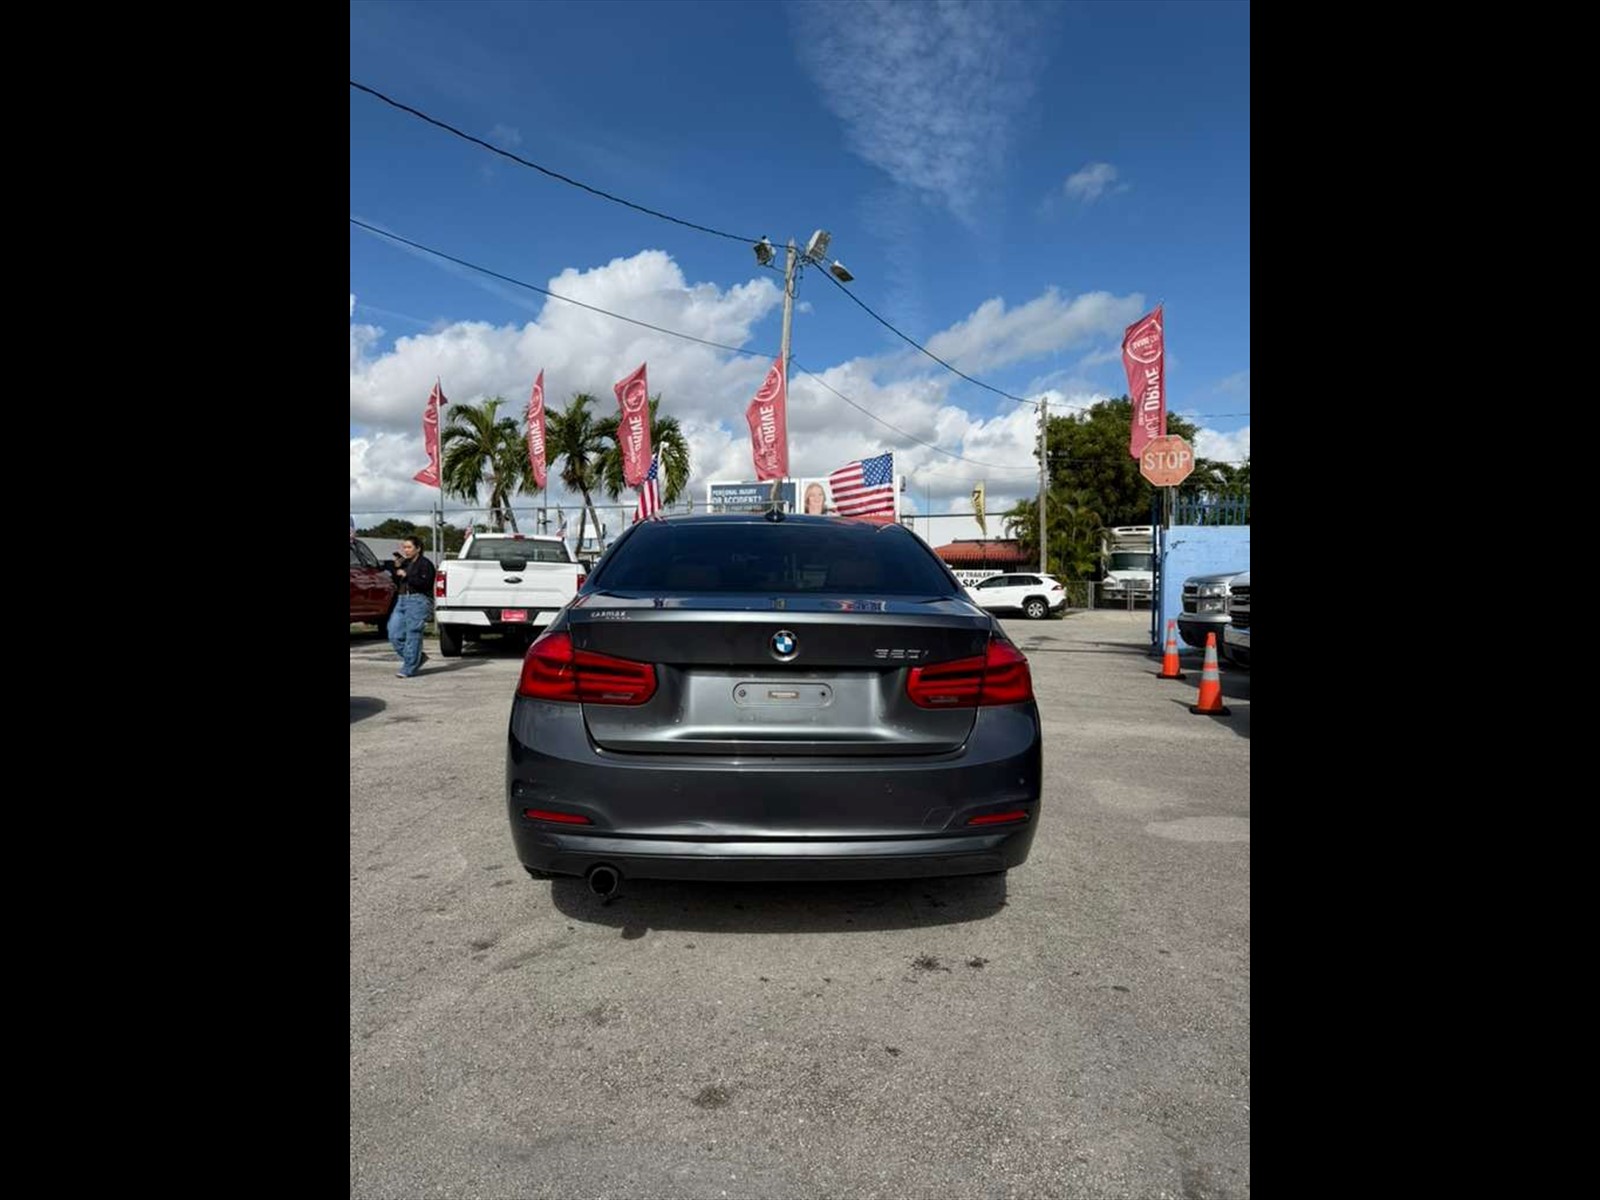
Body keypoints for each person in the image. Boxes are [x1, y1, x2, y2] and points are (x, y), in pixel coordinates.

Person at [385, 536, 436, 678]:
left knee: (413, 633)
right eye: (404, 547)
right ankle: (416, 657)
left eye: (409, 547)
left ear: (418, 548)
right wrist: (397, 568)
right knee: (394, 634)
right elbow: (397, 580)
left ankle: (409, 667)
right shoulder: (405, 563)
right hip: (401, 600)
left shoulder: (425, 564)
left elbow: (425, 584)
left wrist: (407, 575)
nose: (406, 550)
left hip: (418, 600)